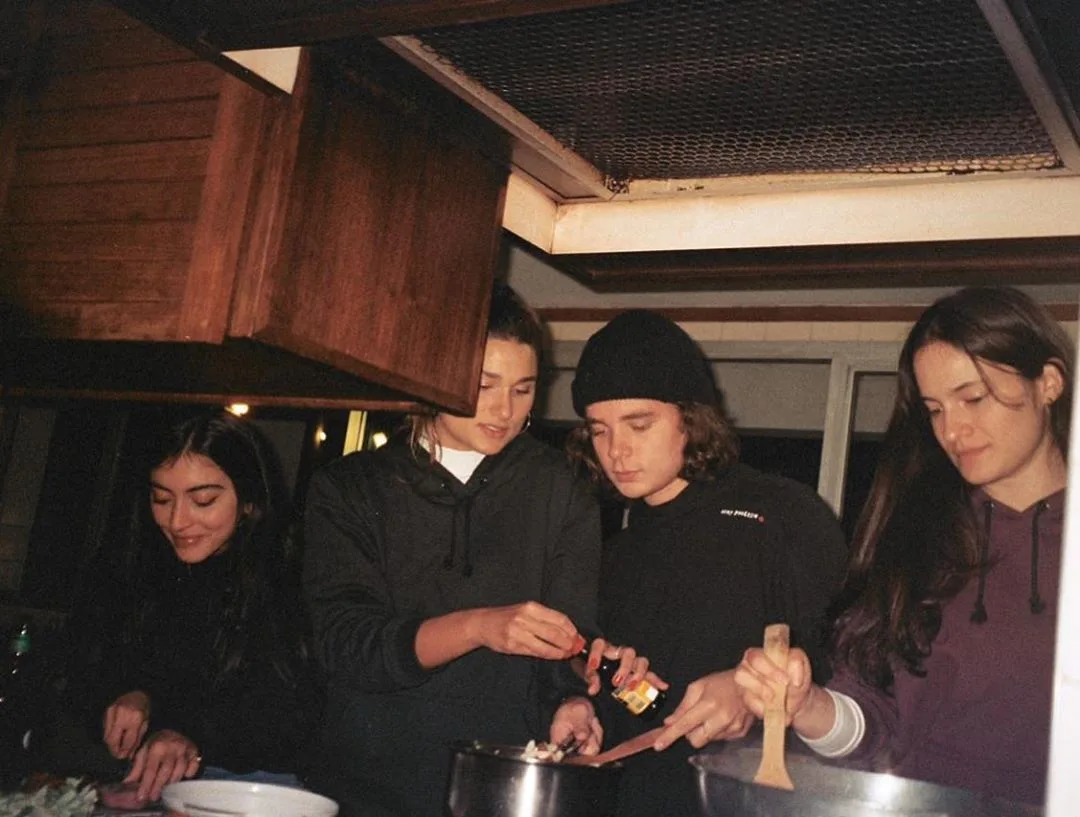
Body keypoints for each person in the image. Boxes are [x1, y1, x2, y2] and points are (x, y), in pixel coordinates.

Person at [302, 283, 640, 817]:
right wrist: (479, 626)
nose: (504, 411)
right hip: (363, 786)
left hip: (501, 784)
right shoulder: (350, 487)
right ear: (433, 374)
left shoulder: (561, 485)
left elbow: (573, 635)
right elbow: (346, 644)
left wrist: (575, 699)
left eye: (524, 390)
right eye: (485, 385)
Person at [734, 286, 1072, 806]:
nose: (953, 429)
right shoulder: (918, 539)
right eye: (935, 410)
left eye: (972, 398)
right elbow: (875, 723)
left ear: (1048, 383)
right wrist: (809, 706)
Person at [567, 309, 848, 817]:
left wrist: (751, 693)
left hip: (754, 801)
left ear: (691, 419)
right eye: (599, 431)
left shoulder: (780, 513)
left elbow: (850, 661)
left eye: (639, 424)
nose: (617, 451)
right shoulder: (618, 551)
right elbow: (644, 697)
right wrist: (593, 702)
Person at [76, 410, 320, 804]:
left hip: (257, 787)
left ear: (250, 501)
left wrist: (195, 739)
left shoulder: (289, 577)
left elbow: (293, 717)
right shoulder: (132, 562)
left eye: (203, 500)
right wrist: (133, 695)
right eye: (161, 498)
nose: (177, 520)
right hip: (150, 782)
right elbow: (84, 672)